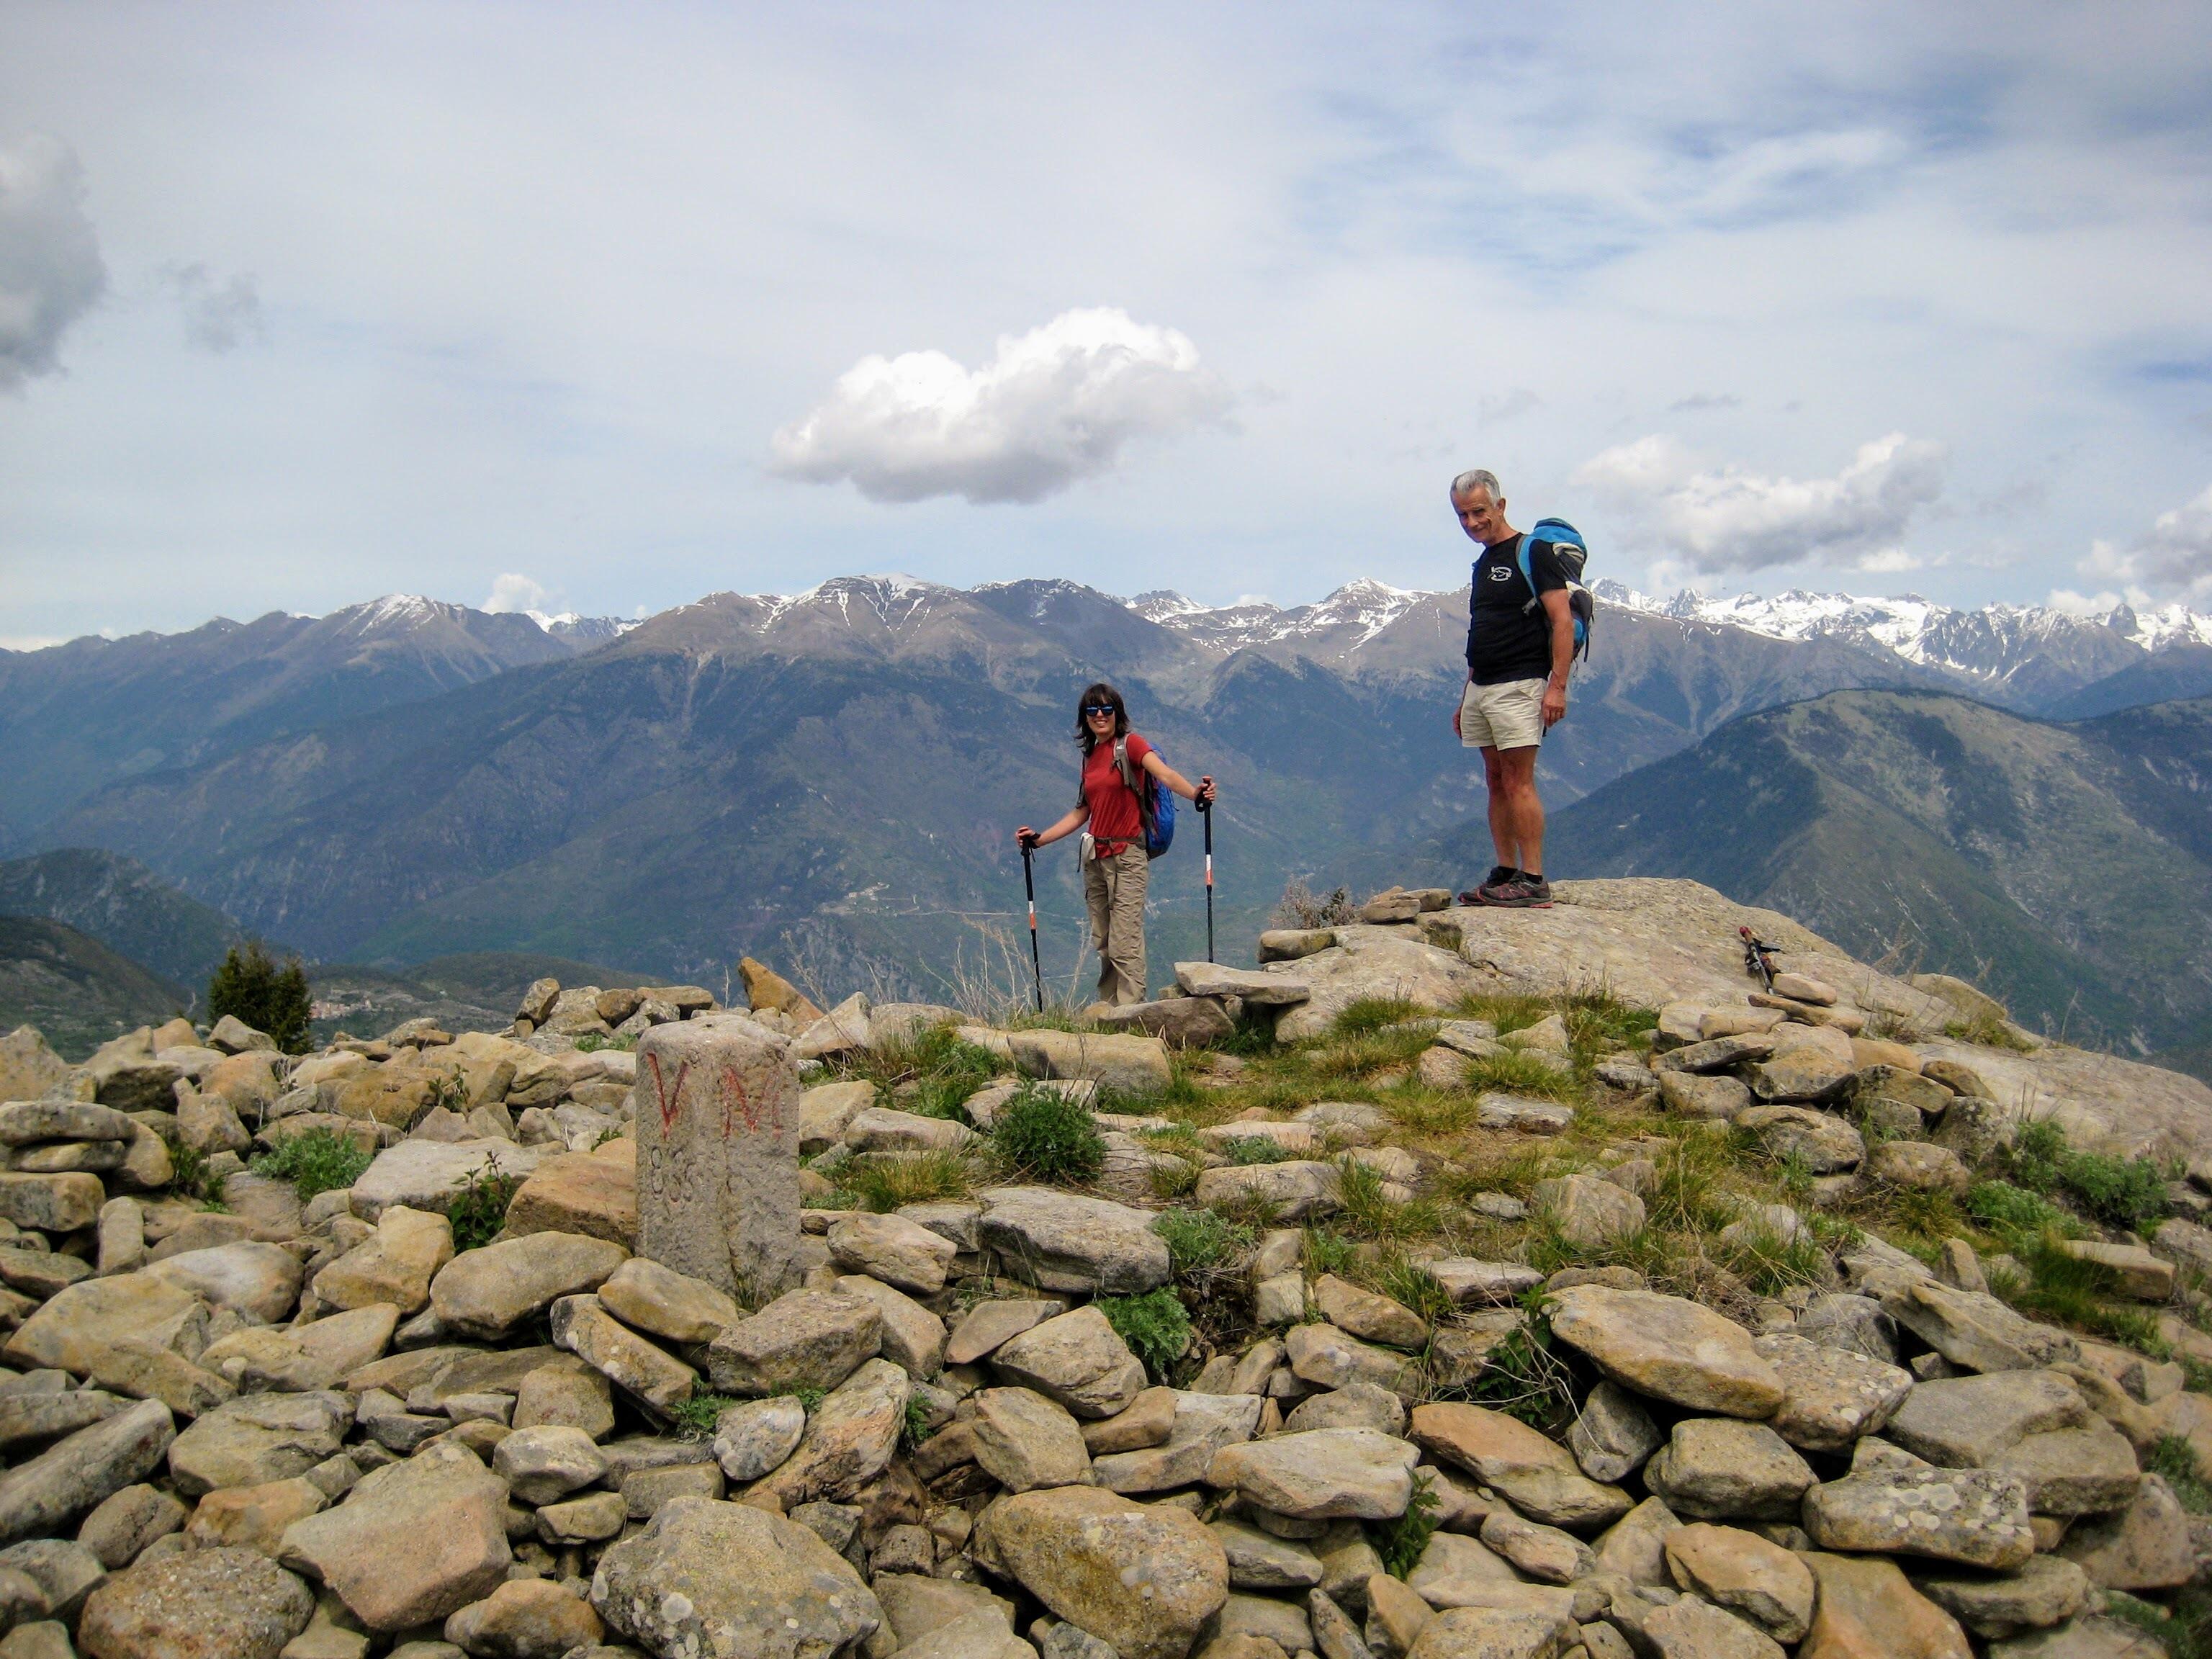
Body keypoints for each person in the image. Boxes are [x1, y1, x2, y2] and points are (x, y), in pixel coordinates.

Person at [1016, 683, 1215, 1007]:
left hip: (1128, 856)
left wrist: (1196, 794)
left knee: (1125, 939)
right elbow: (1083, 811)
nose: (1100, 715)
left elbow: (1164, 775)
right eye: (1092, 710)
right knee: (1105, 939)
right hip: (1095, 857)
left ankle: (1131, 1011)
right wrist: (1039, 840)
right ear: (1084, 717)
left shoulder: (1131, 745)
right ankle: (1109, 1009)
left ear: (1117, 713)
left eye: (1107, 709)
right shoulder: (1091, 757)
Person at [1450, 467, 1575, 908]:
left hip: (1520, 683)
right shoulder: (1483, 563)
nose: (1471, 522)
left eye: (1478, 511)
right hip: (1482, 686)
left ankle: (1534, 878)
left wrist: (1557, 687)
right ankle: (1505, 872)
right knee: (1496, 780)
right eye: (1463, 515)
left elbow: (1562, 620)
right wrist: (1466, 697)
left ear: (1500, 506)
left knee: (1519, 781)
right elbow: (1483, 631)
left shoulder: (1533, 552)